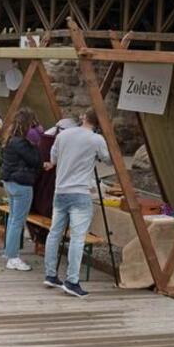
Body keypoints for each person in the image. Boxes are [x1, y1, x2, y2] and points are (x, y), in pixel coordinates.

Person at [43, 109, 110, 298]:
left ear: (83, 117)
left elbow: (53, 158)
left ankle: (50, 274)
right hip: (80, 192)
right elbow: (108, 160)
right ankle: (72, 281)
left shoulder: (63, 135)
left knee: (54, 233)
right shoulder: (96, 139)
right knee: (77, 238)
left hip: (60, 191)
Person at [0, 108, 42, 272]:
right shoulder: (23, 143)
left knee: (13, 219)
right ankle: (13, 258)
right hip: (22, 184)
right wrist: (37, 141)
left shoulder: (11, 140)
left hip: (10, 182)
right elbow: (35, 160)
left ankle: (9, 251)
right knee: (18, 221)